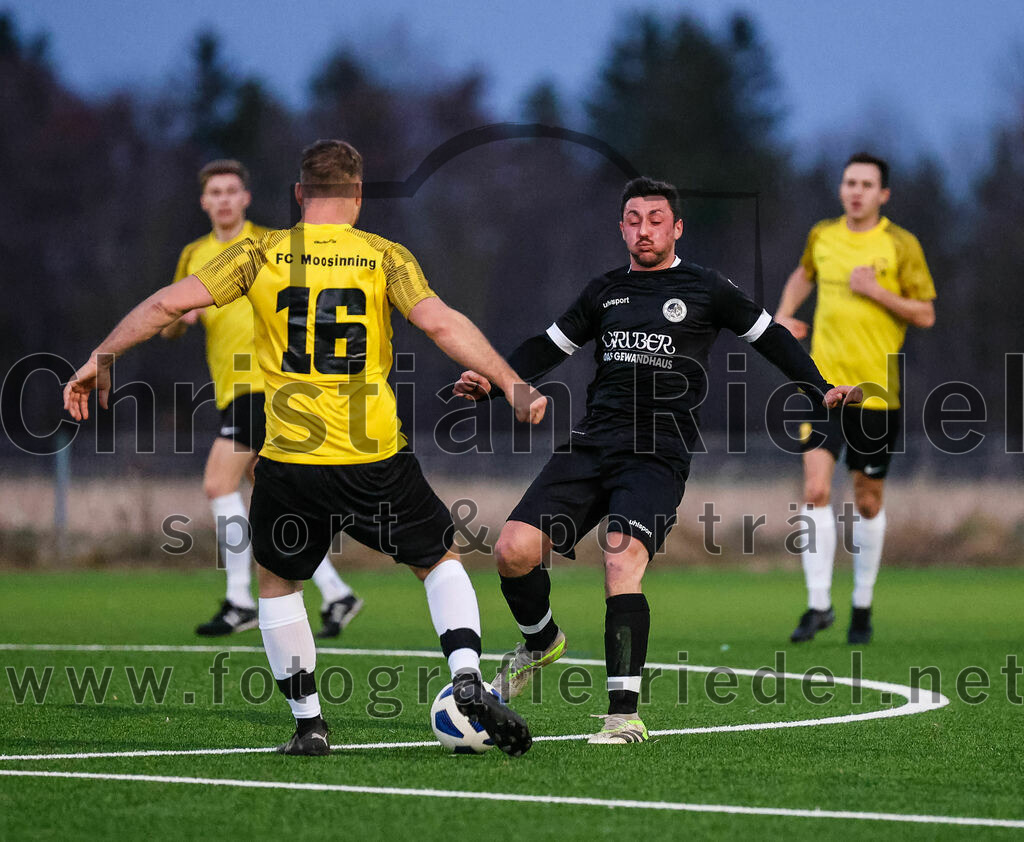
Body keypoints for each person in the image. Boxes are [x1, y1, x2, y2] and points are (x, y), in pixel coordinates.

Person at [64, 139, 546, 757]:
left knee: (277, 583)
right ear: (358, 194)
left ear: (299, 193)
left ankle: (309, 724)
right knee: (438, 560)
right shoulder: (382, 255)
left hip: (290, 459)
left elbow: (166, 304)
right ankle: (466, 676)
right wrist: (511, 383)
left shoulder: (256, 253)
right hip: (374, 453)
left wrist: (99, 360)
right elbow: (439, 321)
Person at [453, 176, 862, 744]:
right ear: (621, 228)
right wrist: (496, 383)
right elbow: (545, 348)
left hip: (658, 453)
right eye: (634, 220)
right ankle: (540, 642)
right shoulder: (604, 292)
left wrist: (819, 387)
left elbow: (771, 337)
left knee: (620, 561)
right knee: (511, 551)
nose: (644, 230)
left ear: (677, 228)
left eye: (656, 220)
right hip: (594, 442)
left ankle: (624, 716)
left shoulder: (707, 288)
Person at [163, 158, 363, 639]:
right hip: (232, 390)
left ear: (246, 198)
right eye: (216, 192)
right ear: (204, 202)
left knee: (218, 484)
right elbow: (168, 320)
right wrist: (181, 315)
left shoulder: (268, 246)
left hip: (267, 385)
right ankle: (336, 592)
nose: (225, 199)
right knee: (272, 496)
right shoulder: (194, 254)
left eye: (233, 190)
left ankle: (238, 600)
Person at [774, 153, 936, 645]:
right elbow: (804, 272)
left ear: (883, 194)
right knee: (816, 490)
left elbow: (925, 313)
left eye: (867, 184)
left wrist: (876, 291)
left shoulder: (900, 244)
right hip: (823, 389)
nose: (856, 190)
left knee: (867, 501)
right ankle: (818, 603)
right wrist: (784, 314)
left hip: (876, 393)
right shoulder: (823, 235)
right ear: (841, 188)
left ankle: (861, 605)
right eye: (850, 182)